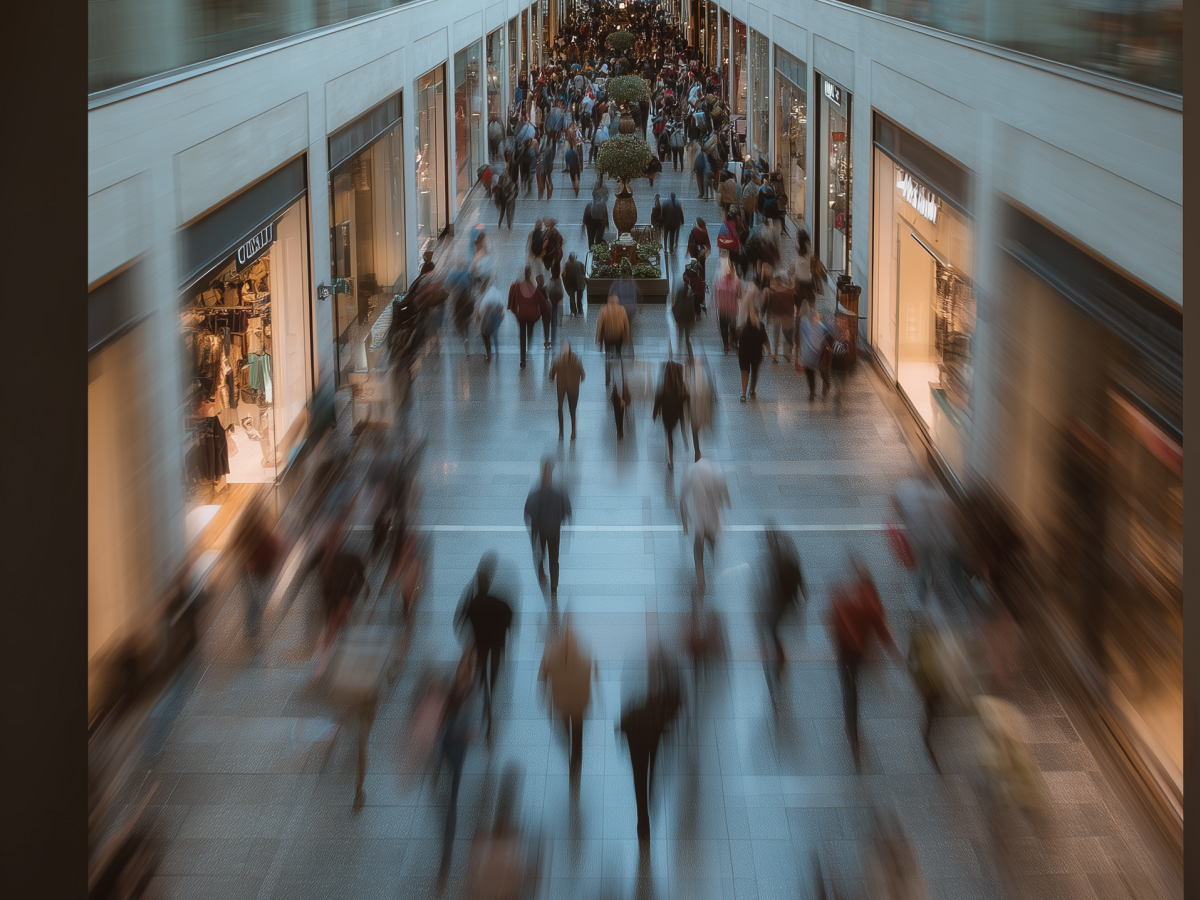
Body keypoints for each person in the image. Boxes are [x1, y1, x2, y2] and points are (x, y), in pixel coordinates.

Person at [828, 558, 904, 769]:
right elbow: (882, 630)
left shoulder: (843, 592)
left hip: (844, 646)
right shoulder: (872, 601)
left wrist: (836, 637)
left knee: (846, 682)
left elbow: (832, 617)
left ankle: (849, 715)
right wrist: (894, 653)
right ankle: (852, 718)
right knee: (853, 682)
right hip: (859, 648)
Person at [455, 554, 514, 743]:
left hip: (480, 648)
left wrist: (467, 639)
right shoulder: (500, 603)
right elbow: (509, 619)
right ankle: (489, 718)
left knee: (480, 678)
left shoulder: (472, 605)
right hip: (496, 648)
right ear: (488, 585)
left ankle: (483, 700)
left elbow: (459, 620)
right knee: (492, 679)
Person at [438, 650, 480, 882]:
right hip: (448, 742)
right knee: (445, 794)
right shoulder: (454, 687)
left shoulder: (470, 691)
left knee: (451, 794)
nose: (463, 671)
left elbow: (468, 718)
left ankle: (447, 846)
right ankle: (447, 830)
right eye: (462, 667)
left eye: (466, 668)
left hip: (455, 746)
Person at [538, 617, 600, 777]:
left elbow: (594, 669)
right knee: (566, 730)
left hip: (578, 702)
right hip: (562, 702)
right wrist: (544, 696)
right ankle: (572, 750)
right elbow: (542, 676)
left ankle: (576, 762)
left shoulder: (584, 652)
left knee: (577, 734)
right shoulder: (550, 652)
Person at [758, 528, 807, 697]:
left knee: (772, 632)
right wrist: (803, 596)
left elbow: (778, 586)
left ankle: (779, 662)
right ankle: (778, 663)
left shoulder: (781, 563)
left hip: (779, 604)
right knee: (772, 632)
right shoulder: (791, 561)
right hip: (783, 602)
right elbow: (800, 580)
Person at [524, 457, 572, 602]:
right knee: (553, 556)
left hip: (541, 530)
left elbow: (528, 511)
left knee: (545, 553)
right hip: (553, 530)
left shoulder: (536, 494)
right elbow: (567, 510)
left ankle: (543, 570)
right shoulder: (558, 493)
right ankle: (554, 584)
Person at [679, 459, 730, 592]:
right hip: (712, 517)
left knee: (698, 545)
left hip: (698, 517)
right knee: (711, 540)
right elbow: (724, 491)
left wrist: (685, 524)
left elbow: (682, 498)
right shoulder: (715, 473)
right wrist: (727, 502)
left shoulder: (690, 473)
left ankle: (700, 575)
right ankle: (712, 562)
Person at [652, 358, 689, 470]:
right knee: (678, 427)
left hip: (666, 415)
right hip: (676, 414)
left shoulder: (663, 386)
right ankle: (684, 438)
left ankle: (671, 460)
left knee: (669, 436)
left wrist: (655, 413)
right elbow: (686, 396)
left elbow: (658, 400)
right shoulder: (680, 386)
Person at [507, 267, 547, 369]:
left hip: (521, 315)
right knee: (530, 329)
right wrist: (545, 312)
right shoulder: (533, 288)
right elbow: (542, 302)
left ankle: (522, 360)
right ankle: (529, 342)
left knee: (522, 335)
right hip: (532, 315)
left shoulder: (517, 286)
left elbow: (511, 291)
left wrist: (511, 306)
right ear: (530, 274)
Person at [548, 340, 585, 440]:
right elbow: (583, 376)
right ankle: (573, 432)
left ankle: (561, 433)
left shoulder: (557, 362)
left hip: (561, 388)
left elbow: (551, 377)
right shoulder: (577, 361)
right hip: (574, 388)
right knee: (572, 410)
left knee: (560, 408)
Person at [595, 292, 631, 386]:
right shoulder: (622, 309)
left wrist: (598, 339)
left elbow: (599, 326)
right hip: (619, 337)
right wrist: (626, 338)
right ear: (617, 300)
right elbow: (626, 325)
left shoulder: (604, 309)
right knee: (618, 355)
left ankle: (607, 380)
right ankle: (618, 376)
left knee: (608, 357)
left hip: (608, 337)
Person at [736, 298, 768, 402]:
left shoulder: (742, 325)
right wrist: (770, 351)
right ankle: (752, 390)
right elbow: (764, 339)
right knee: (754, 372)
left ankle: (743, 394)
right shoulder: (760, 325)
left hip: (744, 354)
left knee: (744, 373)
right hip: (756, 354)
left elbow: (736, 339)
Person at [686, 358, 714, 462]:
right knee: (696, 431)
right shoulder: (705, 380)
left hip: (694, 413)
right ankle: (697, 451)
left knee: (694, 433)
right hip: (702, 412)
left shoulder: (692, 381)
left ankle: (697, 451)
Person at [799, 308, 830, 401]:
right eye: (811, 319)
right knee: (810, 375)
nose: (813, 321)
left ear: (817, 318)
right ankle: (812, 393)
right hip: (808, 355)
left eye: (814, 319)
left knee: (823, 373)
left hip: (820, 355)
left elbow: (828, 339)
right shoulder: (805, 325)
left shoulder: (822, 328)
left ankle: (825, 388)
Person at [712, 259, 740, 354]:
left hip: (722, 310)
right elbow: (740, 295)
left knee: (723, 328)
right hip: (732, 310)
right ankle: (735, 344)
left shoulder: (718, 282)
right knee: (733, 327)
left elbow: (714, 296)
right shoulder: (736, 282)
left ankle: (726, 346)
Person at [670, 272, 697, 361]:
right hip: (688, 319)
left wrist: (674, 312)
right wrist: (694, 318)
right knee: (687, 338)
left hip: (681, 318)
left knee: (680, 335)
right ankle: (689, 355)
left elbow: (676, 304)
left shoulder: (680, 291)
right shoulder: (691, 292)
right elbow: (693, 306)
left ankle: (678, 353)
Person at [477, 283, 505, 363]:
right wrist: (501, 314)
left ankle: (489, 356)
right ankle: (496, 351)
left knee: (486, 336)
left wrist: (479, 319)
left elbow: (481, 310)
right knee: (494, 334)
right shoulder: (497, 296)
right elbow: (501, 308)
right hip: (495, 318)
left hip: (487, 320)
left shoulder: (486, 298)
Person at [686, 216, 711, 285]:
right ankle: (702, 282)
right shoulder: (705, 231)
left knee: (694, 267)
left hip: (694, 252)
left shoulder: (695, 230)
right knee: (702, 269)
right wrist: (706, 254)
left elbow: (690, 241)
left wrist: (688, 251)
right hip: (702, 253)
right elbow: (708, 245)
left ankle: (695, 282)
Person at [562, 252, 587, 317]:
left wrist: (565, 283)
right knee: (579, 298)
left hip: (570, 284)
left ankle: (573, 311)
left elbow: (563, 275)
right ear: (576, 258)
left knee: (572, 298)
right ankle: (580, 310)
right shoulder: (581, 264)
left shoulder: (566, 265)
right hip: (579, 284)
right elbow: (584, 274)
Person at [544, 273, 565, 346]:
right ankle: (553, 339)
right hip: (556, 302)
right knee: (555, 321)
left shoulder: (550, 280)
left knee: (549, 321)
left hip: (550, 302)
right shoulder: (558, 280)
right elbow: (561, 292)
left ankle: (548, 339)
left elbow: (547, 290)